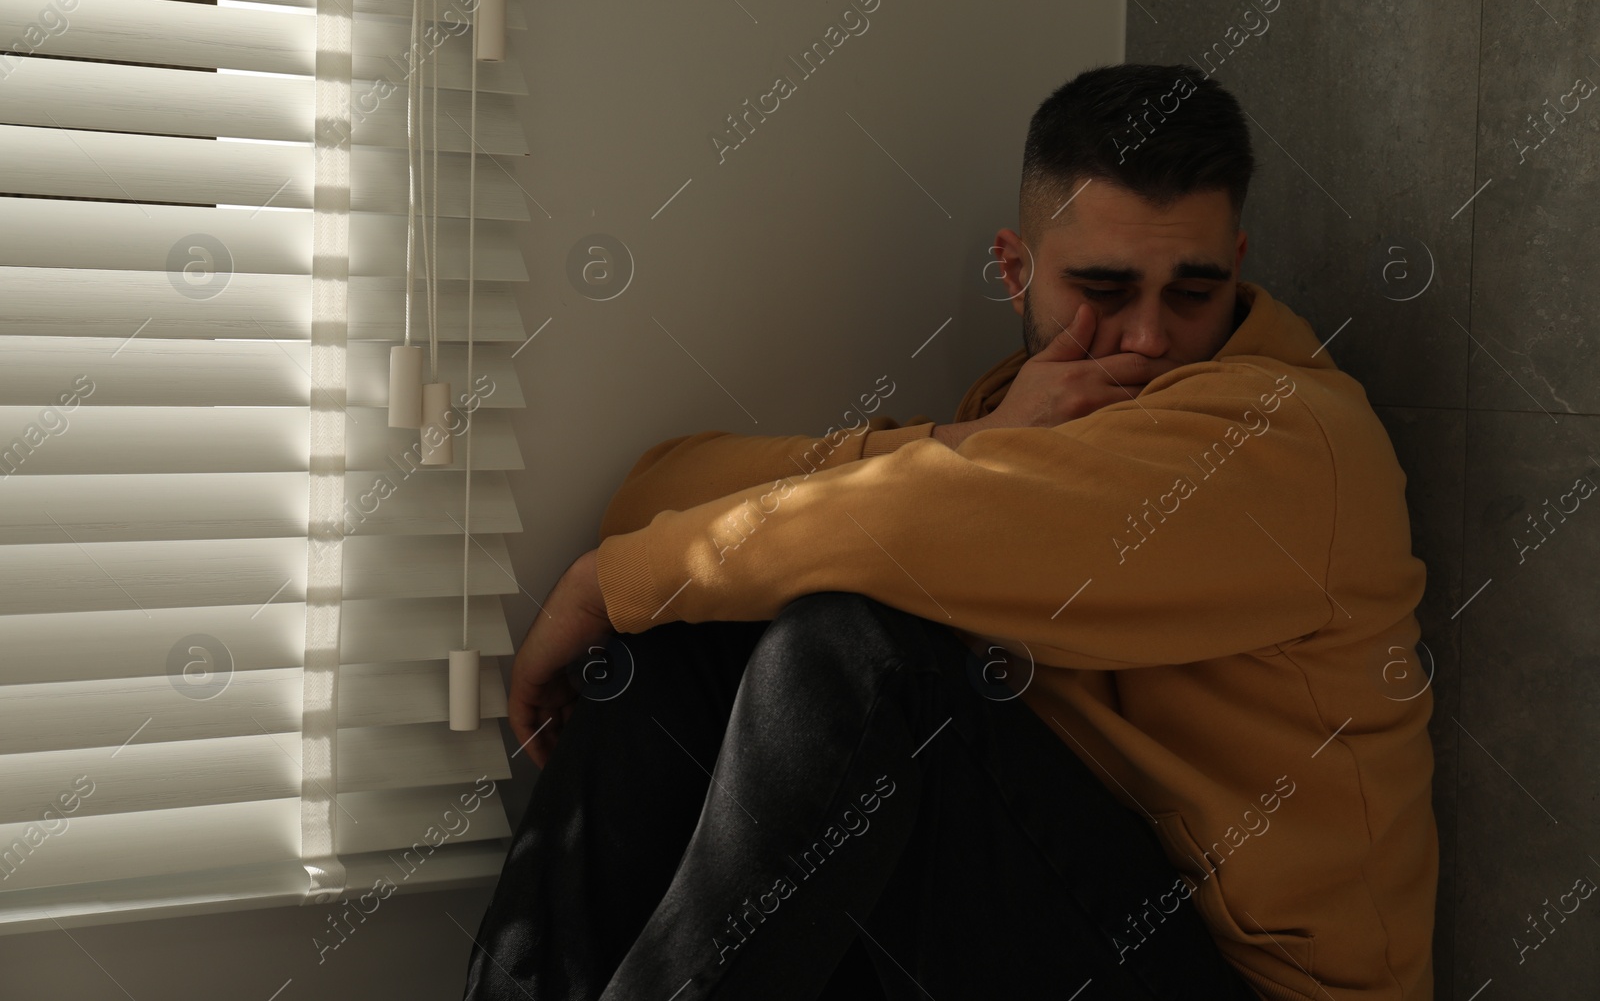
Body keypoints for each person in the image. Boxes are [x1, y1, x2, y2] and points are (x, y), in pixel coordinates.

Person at [462, 63, 1437, 1001]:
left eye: (1189, 293)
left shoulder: (1287, 439)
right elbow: (656, 494)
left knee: (846, 645)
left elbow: (878, 535)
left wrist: (604, 580)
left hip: (1226, 981)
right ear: (1014, 269)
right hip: (1041, 915)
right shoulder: (1021, 417)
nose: (1145, 337)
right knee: (701, 629)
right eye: (1102, 289)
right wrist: (963, 437)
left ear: (1235, 265)